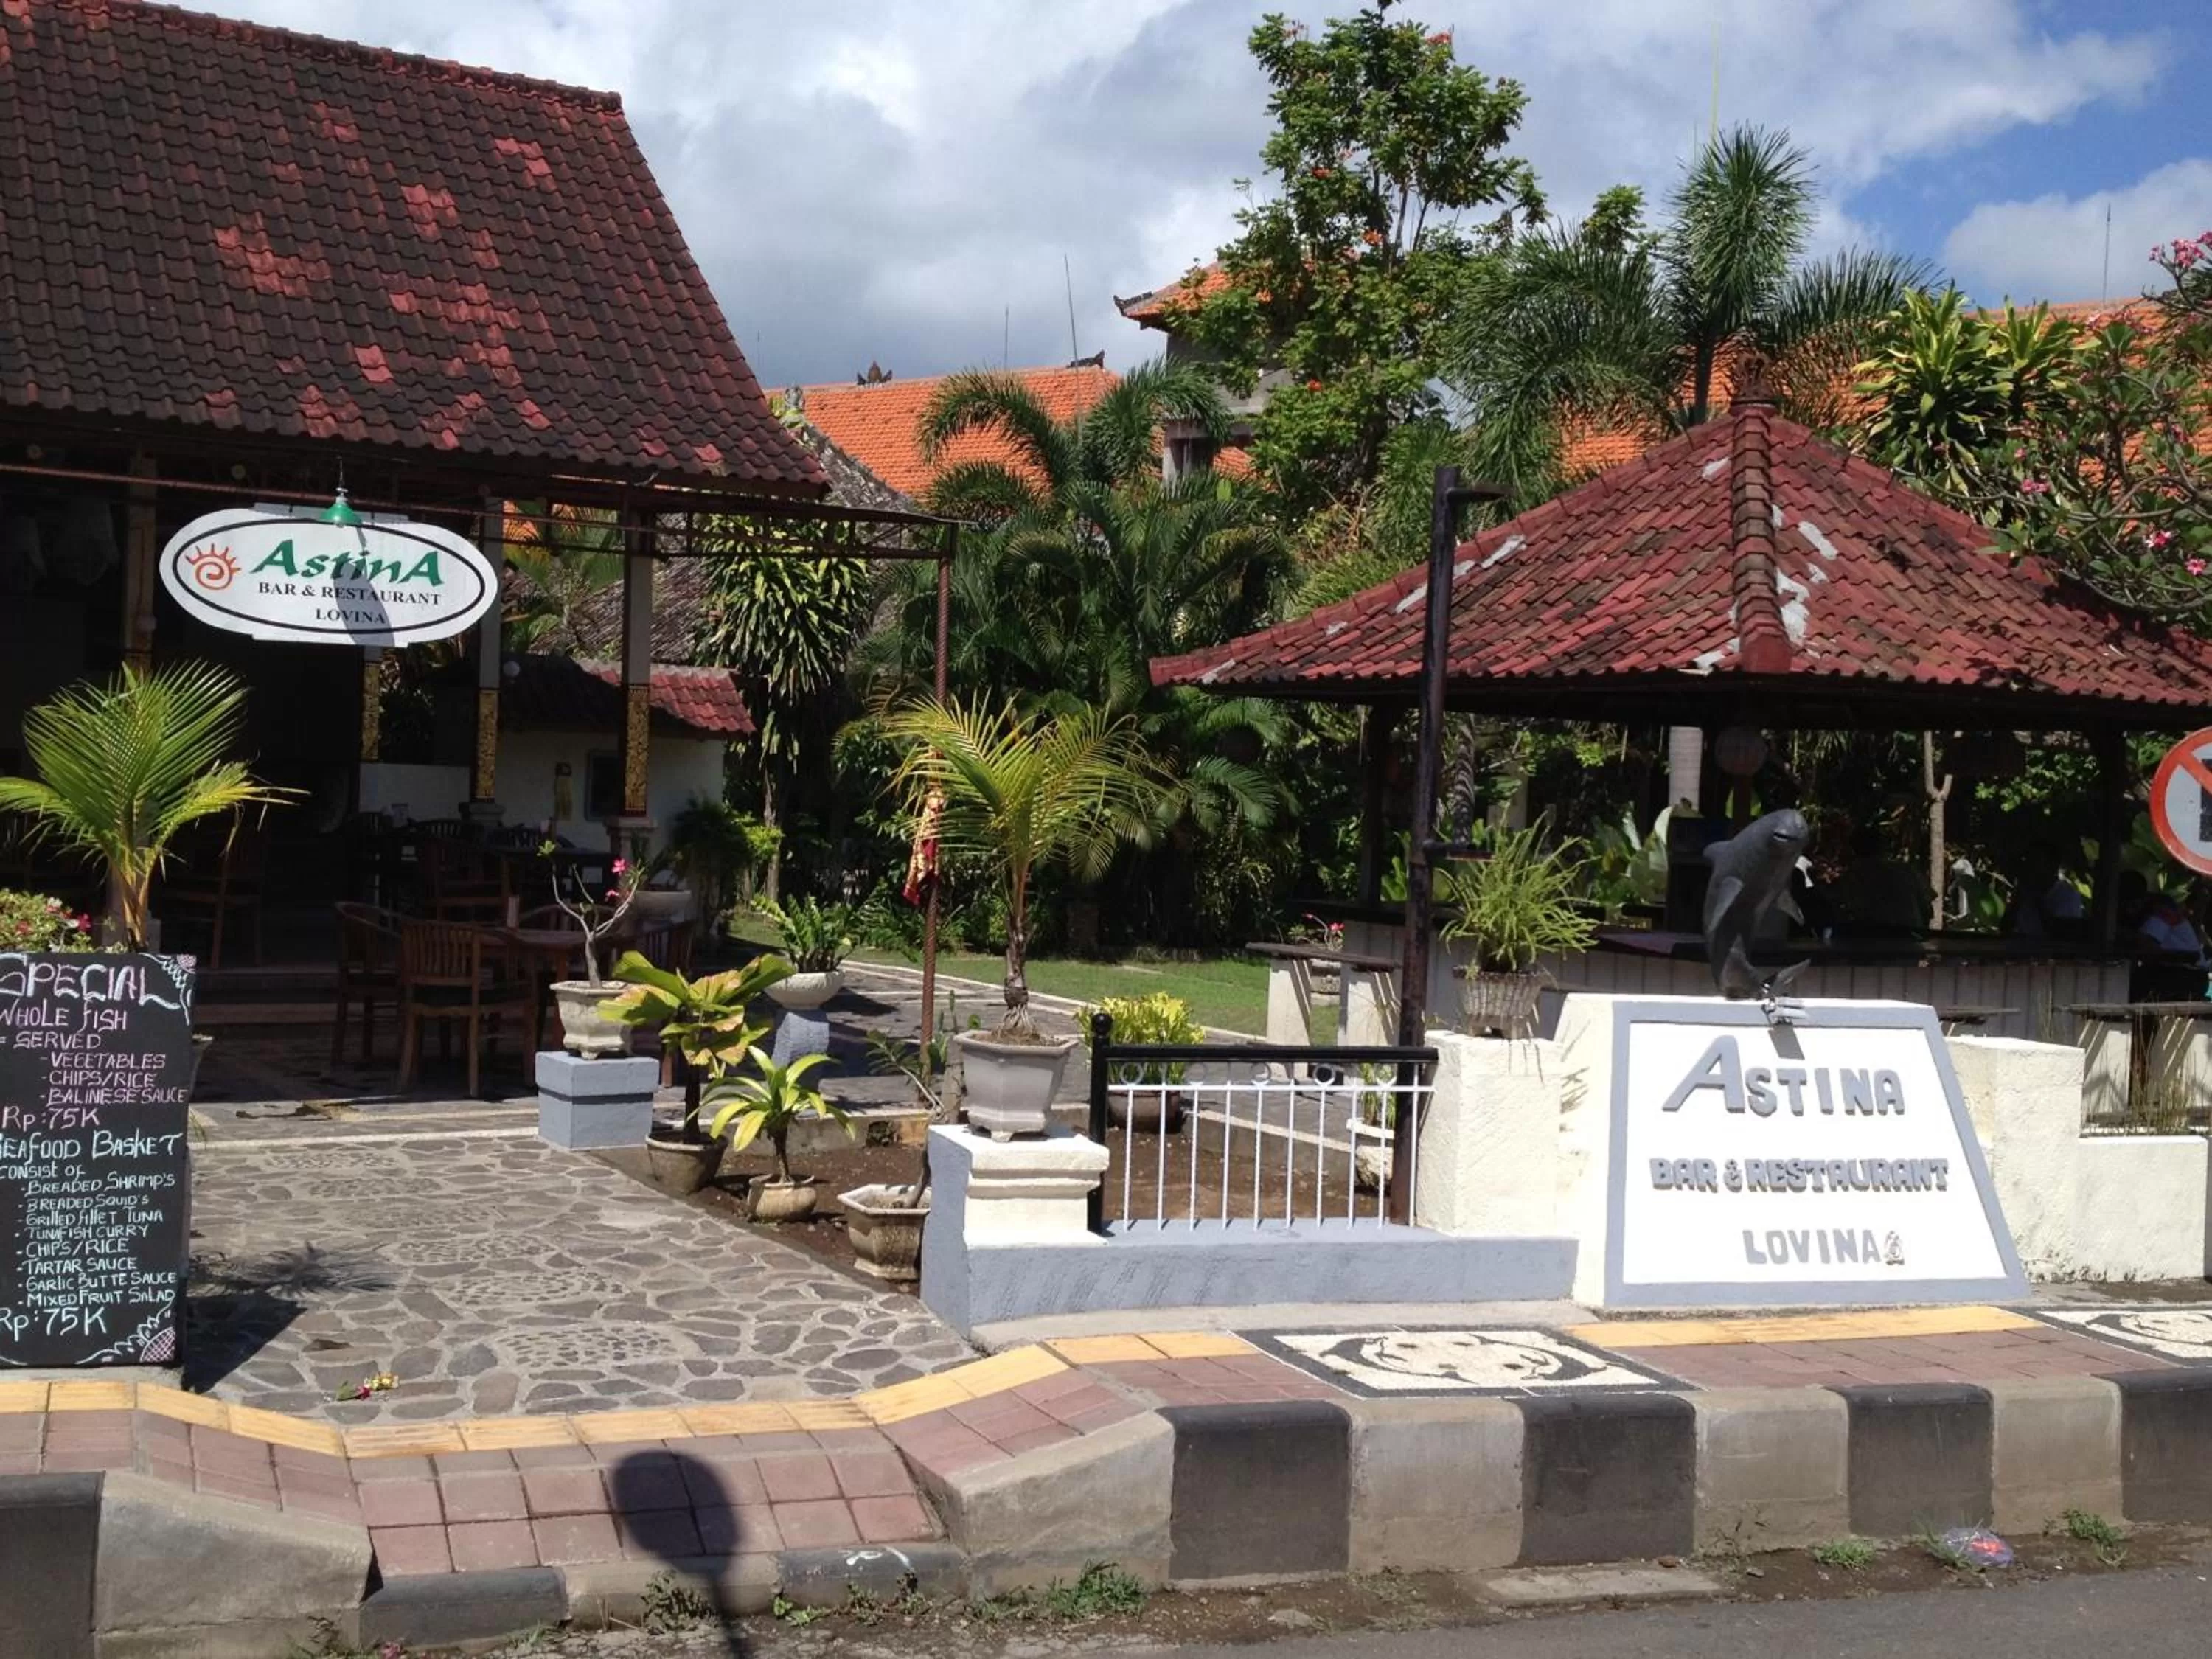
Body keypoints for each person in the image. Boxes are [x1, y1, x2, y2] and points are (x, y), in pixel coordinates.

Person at [1826, 824, 1927, 936]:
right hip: (1910, 941)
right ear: (1882, 846)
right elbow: (1927, 908)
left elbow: (1845, 912)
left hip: (1873, 942)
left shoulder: (1852, 877)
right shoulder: (1906, 871)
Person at [2005, 841, 2087, 939]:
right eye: (2029, 862)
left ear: (2053, 866)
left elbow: (2059, 934)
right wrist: (2017, 901)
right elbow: (2005, 929)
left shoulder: (2068, 896)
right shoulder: (2025, 892)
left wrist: (2037, 901)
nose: (2031, 868)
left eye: (2037, 862)